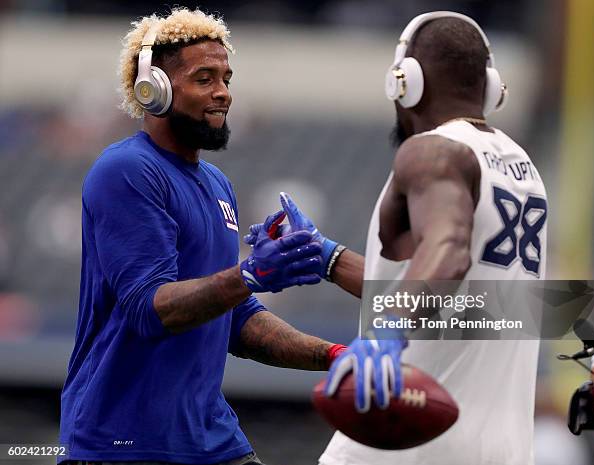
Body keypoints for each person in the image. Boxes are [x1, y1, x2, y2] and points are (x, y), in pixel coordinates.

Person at [249, 11, 548, 465]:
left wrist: (389, 327)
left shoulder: (430, 150)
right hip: (502, 451)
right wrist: (329, 259)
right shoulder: (524, 170)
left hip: (405, 445)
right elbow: (471, 307)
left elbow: (446, 252)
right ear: (488, 85)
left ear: (405, 82)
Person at [58, 8, 352, 465]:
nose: (223, 94)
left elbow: (237, 321)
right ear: (153, 88)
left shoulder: (217, 183)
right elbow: (149, 309)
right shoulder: (127, 170)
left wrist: (335, 356)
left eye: (226, 78)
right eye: (205, 78)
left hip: (211, 439)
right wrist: (250, 274)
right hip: (124, 443)